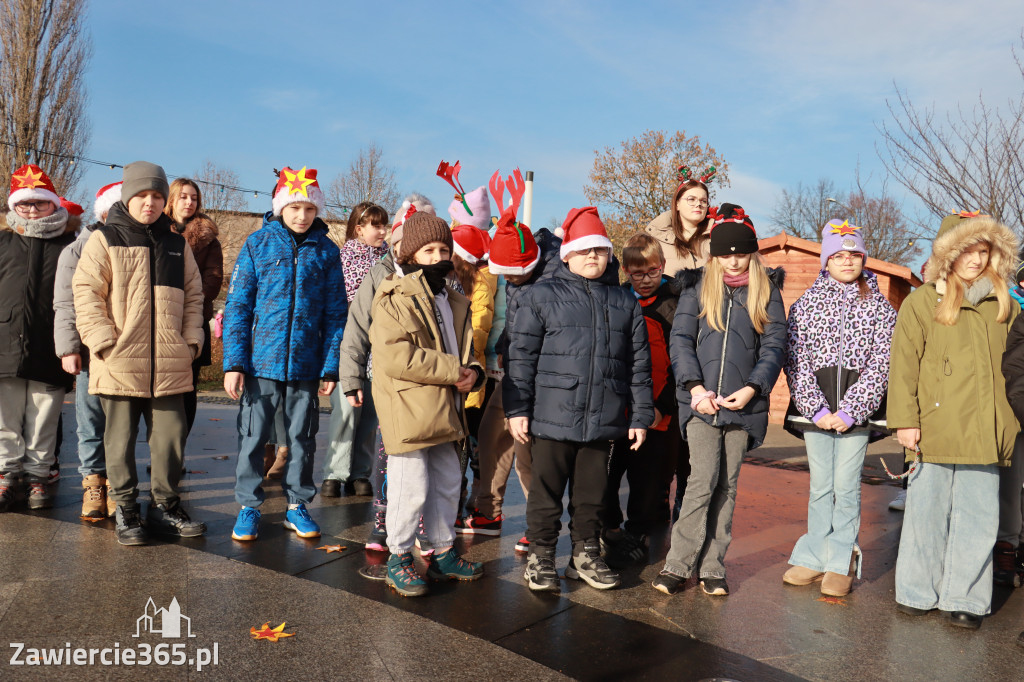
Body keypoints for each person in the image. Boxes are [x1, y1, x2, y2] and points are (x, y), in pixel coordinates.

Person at [505, 206, 653, 592]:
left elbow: (639, 364)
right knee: (546, 494)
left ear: (608, 255)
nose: (593, 257)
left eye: (600, 251)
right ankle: (541, 556)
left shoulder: (625, 303)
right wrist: (517, 409)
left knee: (592, 497)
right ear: (567, 253)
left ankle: (585, 555)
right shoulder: (540, 296)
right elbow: (520, 357)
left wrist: (640, 416)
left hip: (603, 418)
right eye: (585, 250)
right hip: (551, 417)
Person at [889, 212, 1018, 630]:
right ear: (948, 253)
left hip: (987, 429)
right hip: (935, 425)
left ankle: (965, 597)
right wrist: (905, 421)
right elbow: (903, 365)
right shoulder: (923, 300)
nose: (977, 260)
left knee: (979, 516)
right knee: (926, 511)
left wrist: (1013, 420)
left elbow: (1017, 365)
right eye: (968, 251)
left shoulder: (1005, 304)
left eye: (984, 251)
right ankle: (916, 589)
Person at [652, 204, 786, 597]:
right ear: (714, 254)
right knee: (701, 480)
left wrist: (753, 388)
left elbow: (774, 346)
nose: (732, 260)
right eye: (725, 253)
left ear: (752, 253)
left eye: (740, 252)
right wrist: (694, 388)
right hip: (700, 403)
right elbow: (680, 341)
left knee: (727, 485)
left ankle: (713, 566)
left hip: (744, 407)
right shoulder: (696, 287)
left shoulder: (768, 291)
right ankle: (678, 564)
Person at [73, 161, 207, 545]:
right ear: (128, 197)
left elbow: (195, 296)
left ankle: (164, 506)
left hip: (170, 360)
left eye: (157, 196)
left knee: (170, 437)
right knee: (118, 440)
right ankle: (127, 509)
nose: (149, 203)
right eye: (142, 195)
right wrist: (102, 342)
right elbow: (86, 293)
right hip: (119, 360)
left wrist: (191, 341)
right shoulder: (105, 238)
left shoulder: (176, 243)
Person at [224, 166, 346, 542]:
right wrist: (234, 363)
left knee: (302, 437)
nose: (301, 215)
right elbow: (238, 307)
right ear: (280, 207)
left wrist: (330, 366)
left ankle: (297, 504)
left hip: (306, 364)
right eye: (294, 207)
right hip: (261, 363)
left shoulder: (326, 251)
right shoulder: (257, 244)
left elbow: (336, 313)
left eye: (309, 209)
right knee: (254, 435)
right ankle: (248, 505)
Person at [369, 211, 485, 597]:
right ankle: (399, 556)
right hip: (409, 408)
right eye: (428, 250)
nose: (438, 256)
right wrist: (454, 369)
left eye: (444, 248)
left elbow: (462, 349)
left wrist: (472, 372)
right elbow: (395, 357)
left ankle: (443, 550)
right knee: (409, 484)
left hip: (445, 405)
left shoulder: (451, 297)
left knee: (448, 480)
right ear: (411, 254)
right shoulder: (394, 296)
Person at [782, 219, 897, 597]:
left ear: (863, 258)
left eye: (854, 255)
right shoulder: (805, 306)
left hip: (855, 414)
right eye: (839, 255)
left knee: (846, 487)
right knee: (820, 486)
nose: (847, 262)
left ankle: (841, 559)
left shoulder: (880, 308)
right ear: (825, 260)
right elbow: (795, 360)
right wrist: (816, 409)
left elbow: (883, 363)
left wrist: (850, 410)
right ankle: (814, 555)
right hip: (817, 411)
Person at [339, 192, 436, 551]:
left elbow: (462, 327)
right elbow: (357, 326)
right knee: (388, 450)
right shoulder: (381, 272)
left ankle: (428, 526)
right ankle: (382, 521)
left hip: (434, 382)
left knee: (431, 455)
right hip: (390, 380)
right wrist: (350, 377)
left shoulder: (444, 273)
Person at [463, 205, 562, 553]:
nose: (509, 281)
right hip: (512, 371)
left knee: (527, 455)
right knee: (490, 437)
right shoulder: (517, 277)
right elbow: (517, 320)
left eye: (513, 274)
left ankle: (539, 525)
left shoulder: (554, 277)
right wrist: (504, 345)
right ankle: (489, 513)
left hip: (542, 378)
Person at [600, 233, 683, 569]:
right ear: (626, 272)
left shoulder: (677, 302)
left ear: (662, 267)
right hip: (619, 410)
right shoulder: (618, 299)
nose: (646, 280)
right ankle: (609, 529)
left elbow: (682, 362)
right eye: (638, 274)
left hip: (660, 412)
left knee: (649, 482)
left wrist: (663, 405)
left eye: (653, 271)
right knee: (606, 475)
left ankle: (638, 532)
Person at [0, 165, 77, 511]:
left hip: (50, 344)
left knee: (44, 416)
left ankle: (37, 475)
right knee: (6, 415)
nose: (32, 210)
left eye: (39, 203)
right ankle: (6, 474)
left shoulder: (70, 245)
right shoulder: (3, 241)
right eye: (25, 203)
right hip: (5, 344)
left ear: (53, 204)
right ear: (13, 206)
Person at [54, 181, 121, 518]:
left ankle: (118, 485)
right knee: (91, 419)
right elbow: (65, 304)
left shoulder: (139, 246)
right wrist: (69, 348)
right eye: (116, 209)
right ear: (104, 212)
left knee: (121, 422)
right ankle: (93, 482)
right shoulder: (77, 249)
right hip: (90, 350)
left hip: (126, 353)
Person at [321, 201, 389, 498]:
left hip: (380, 351)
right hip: (349, 347)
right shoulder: (343, 258)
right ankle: (335, 472)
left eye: (385, 224)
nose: (382, 231)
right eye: (376, 225)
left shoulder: (390, 261)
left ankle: (360, 472)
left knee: (370, 415)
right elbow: (336, 308)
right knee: (346, 412)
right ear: (359, 228)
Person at [164, 178, 224, 435]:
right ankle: (160, 448)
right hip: (159, 317)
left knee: (187, 386)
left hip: (192, 319)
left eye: (194, 198)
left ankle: (178, 449)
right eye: (183, 197)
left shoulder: (209, 239)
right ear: (172, 199)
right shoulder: (155, 230)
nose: (189, 202)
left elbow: (213, 280)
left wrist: (186, 303)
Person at [448, 223, 495, 521]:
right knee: (459, 440)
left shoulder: (480, 282)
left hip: (470, 371)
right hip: (455, 368)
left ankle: (470, 494)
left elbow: (480, 326)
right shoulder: (450, 280)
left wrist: (462, 359)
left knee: (470, 439)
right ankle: (456, 494)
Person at [643, 167, 713, 275]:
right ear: (677, 204)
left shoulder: (716, 238)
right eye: (691, 199)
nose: (698, 204)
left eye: (703, 201)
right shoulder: (654, 240)